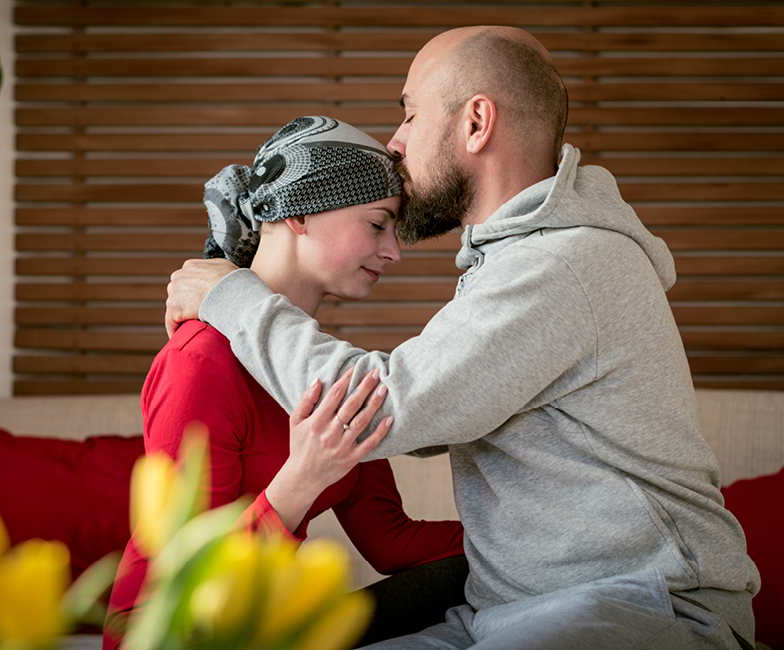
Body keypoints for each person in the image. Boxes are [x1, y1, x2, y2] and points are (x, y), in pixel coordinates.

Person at [163, 26, 760, 650]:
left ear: (476, 123)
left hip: (644, 604)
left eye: (411, 114)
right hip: (507, 609)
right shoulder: (515, 263)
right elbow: (431, 416)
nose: (394, 145)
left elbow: (387, 410)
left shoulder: (559, 265)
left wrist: (230, 296)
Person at [103, 116, 468, 650]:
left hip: (263, 628)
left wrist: (541, 543)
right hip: (172, 634)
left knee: (479, 578)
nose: (393, 250)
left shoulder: (317, 369)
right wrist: (301, 478)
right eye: (377, 224)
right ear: (299, 215)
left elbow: (391, 542)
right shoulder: (200, 361)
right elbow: (190, 579)